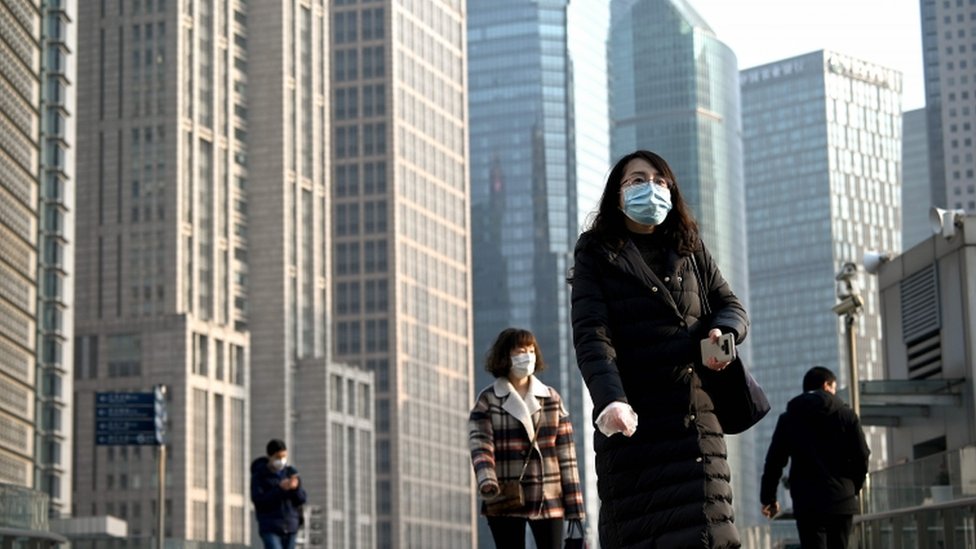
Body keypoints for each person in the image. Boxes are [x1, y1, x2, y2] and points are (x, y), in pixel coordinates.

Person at [570, 150, 749, 548]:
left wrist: (723, 330)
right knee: (645, 534)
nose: (649, 187)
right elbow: (591, 335)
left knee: (710, 534)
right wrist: (611, 400)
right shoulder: (596, 252)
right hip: (633, 424)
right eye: (636, 180)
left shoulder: (689, 246)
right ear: (617, 193)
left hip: (695, 418)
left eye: (659, 180)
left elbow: (731, 306)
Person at [469, 328, 586, 549]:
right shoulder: (488, 400)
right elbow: (480, 445)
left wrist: (576, 509)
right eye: (521, 350)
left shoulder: (551, 399)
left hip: (549, 495)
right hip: (505, 495)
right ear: (505, 356)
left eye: (531, 350)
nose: (527, 356)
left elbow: (567, 458)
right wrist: (487, 480)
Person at [760, 366, 870, 549]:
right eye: (834, 387)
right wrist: (853, 488)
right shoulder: (847, 415)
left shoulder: (789, 418)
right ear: (827, 385)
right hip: (841, 500)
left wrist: (768, 498)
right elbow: (862, 455)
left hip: (807, 501)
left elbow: (774, 461)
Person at [251, 439, 307, 549]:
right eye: (278, 457)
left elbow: (302, 499)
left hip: (290, 526)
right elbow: (259, 500)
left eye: (284, 457)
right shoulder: (260, 475)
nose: (281, 460)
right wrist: (280, 489)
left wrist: (295, 488)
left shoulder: (291, 472)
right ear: (270, 456)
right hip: (270, 526)